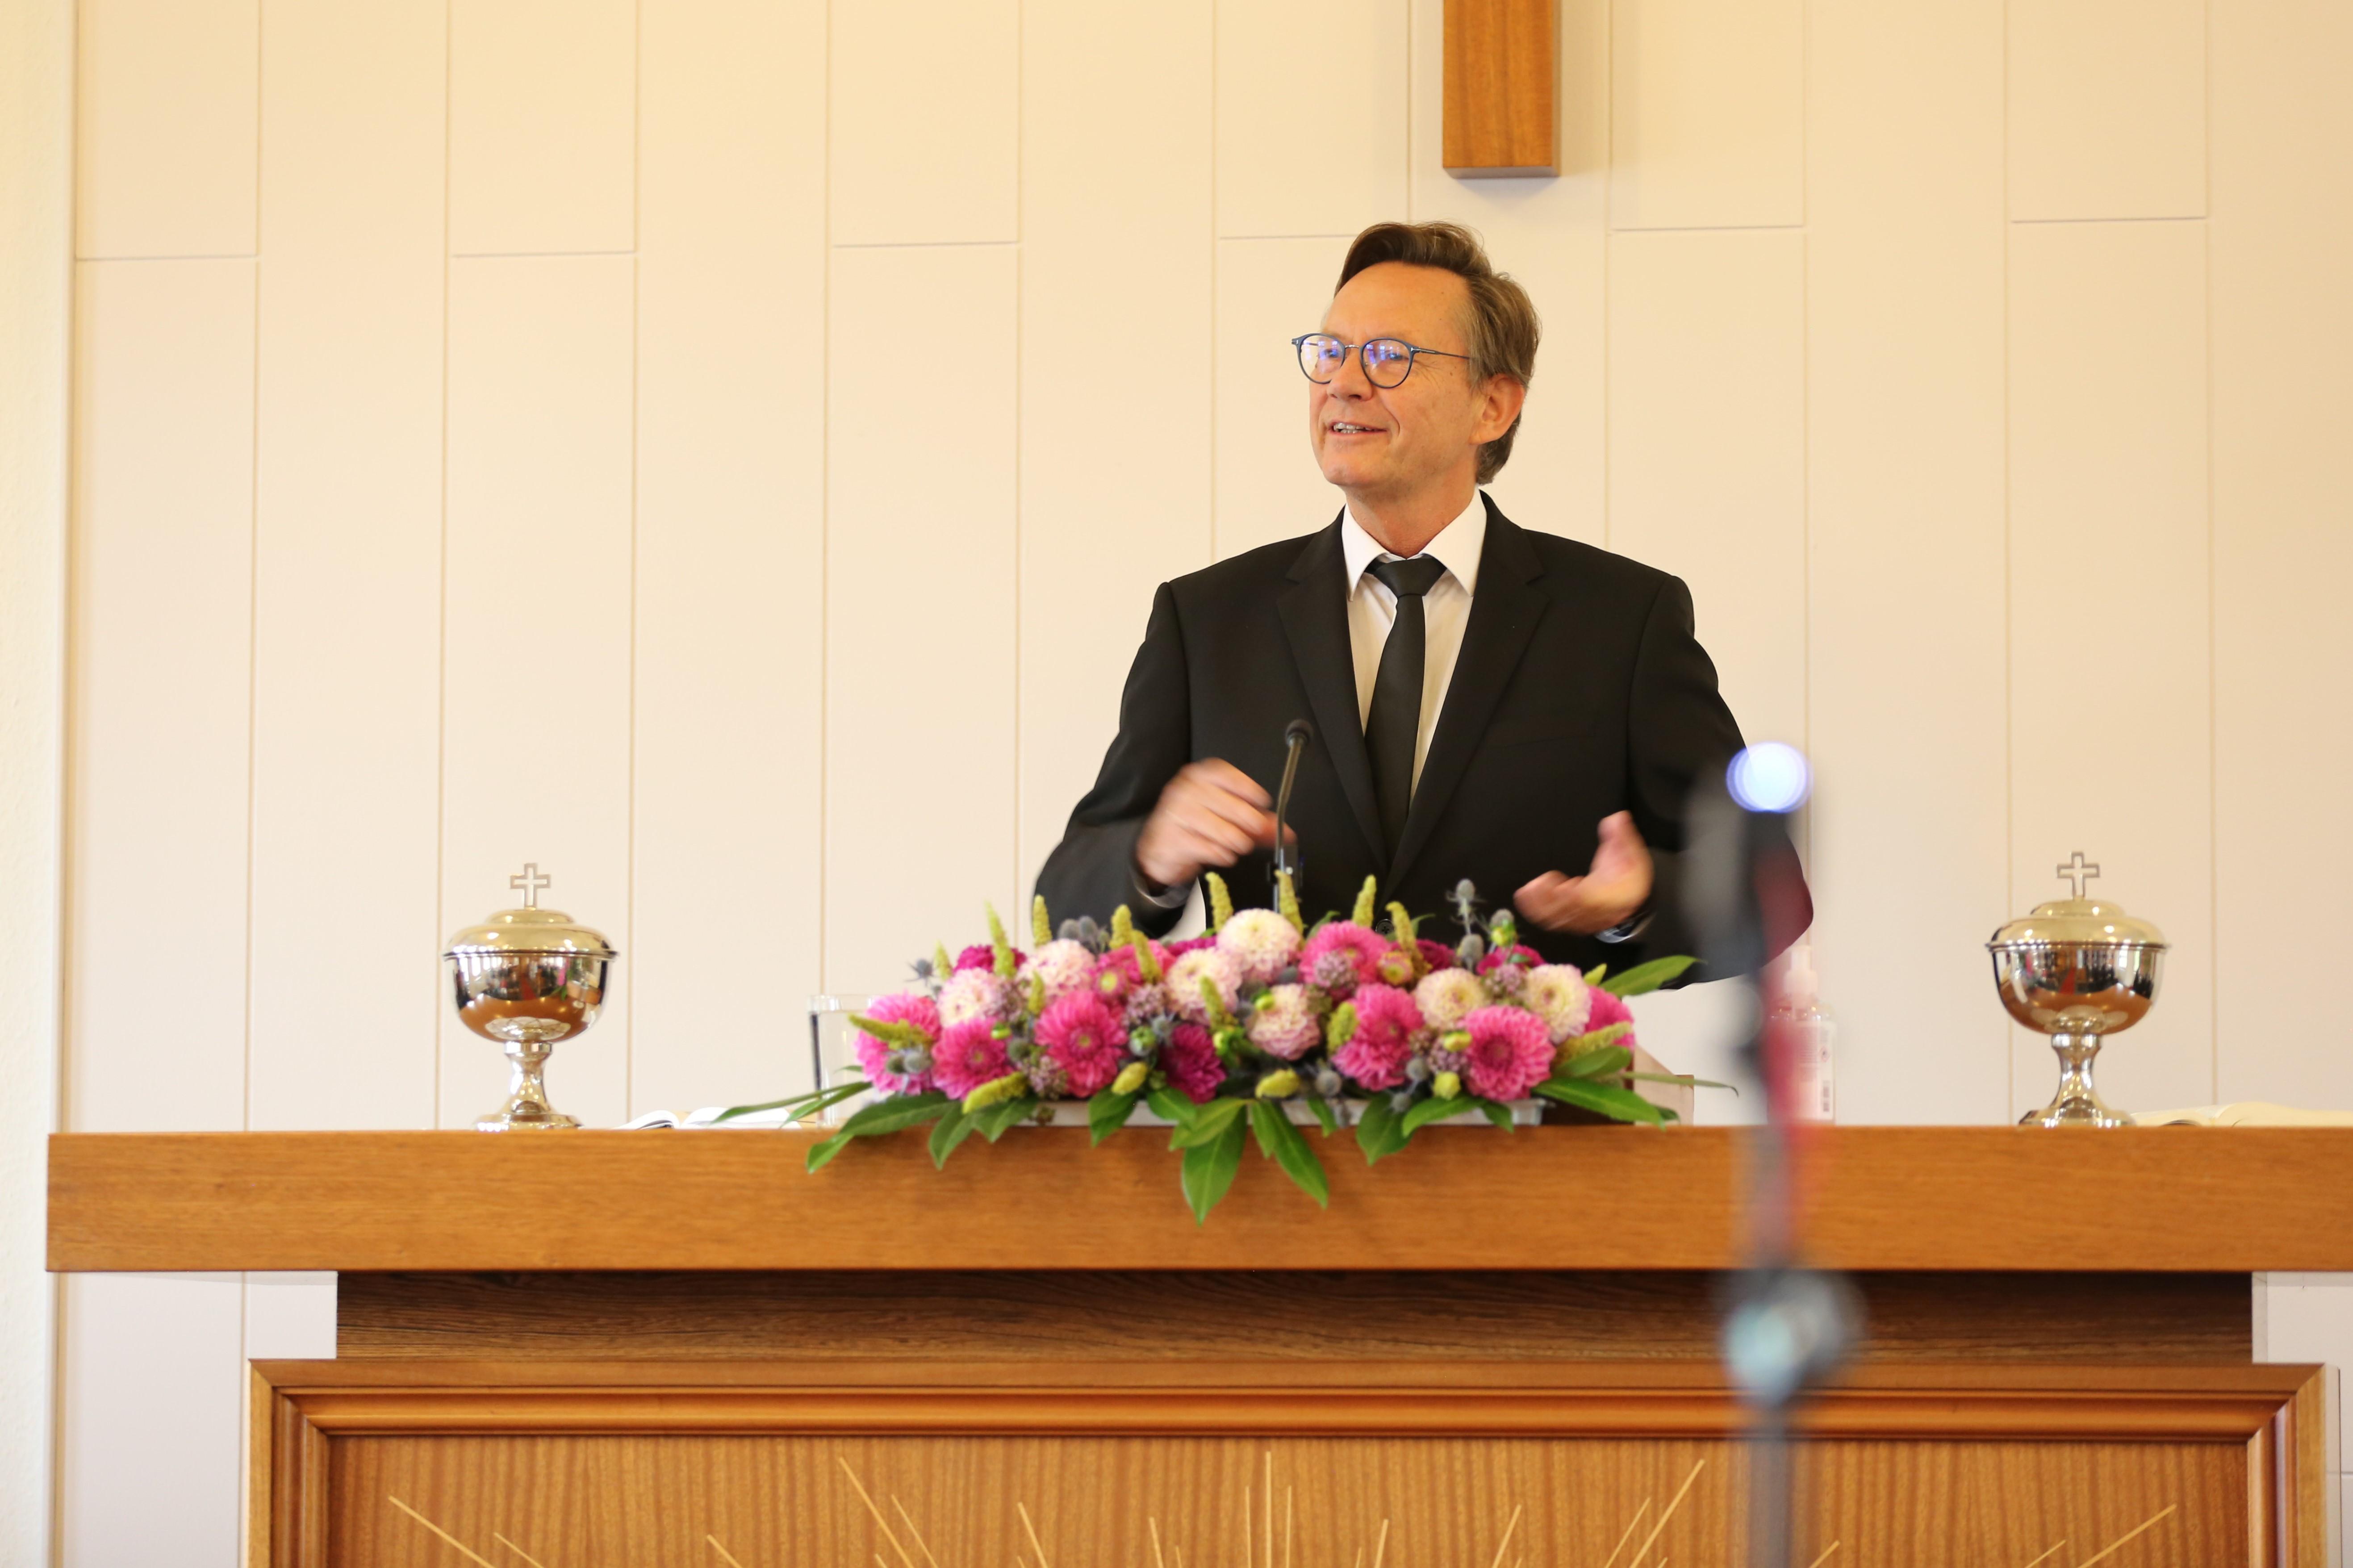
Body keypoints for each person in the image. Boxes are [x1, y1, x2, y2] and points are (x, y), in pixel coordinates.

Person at [1035, 221, 1808, 969]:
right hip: (1280, 1061)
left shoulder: (1620, 620)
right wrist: (1148, 858)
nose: (1342, 384)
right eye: (1329, 353)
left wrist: (1637, 904)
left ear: (1492, 406)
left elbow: (1764, 893)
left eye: (1388, 357)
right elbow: (1063, 909)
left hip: (1526, 1057)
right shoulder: (1208, 621)